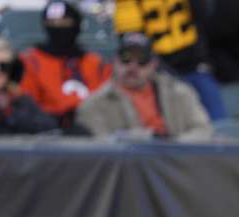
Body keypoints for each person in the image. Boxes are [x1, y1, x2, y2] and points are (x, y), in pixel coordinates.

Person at [76, 32, 213, 140]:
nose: (133, 66)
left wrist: (171, 147)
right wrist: (144, 140)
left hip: (176, 168)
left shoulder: (180, 93)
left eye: (142, 60)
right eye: (126, 58)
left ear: (154, 65)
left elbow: (203, 131)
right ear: (114, 61)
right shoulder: (94, 105)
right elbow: (99, 150)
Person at [113, 0, 226, 120]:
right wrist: (158, 69)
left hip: (194, 64)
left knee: (217, 116)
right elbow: (134, 45)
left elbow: (206, 15)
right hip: (157, 71)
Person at [17, 0, 111, 128]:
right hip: (45, 133)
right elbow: (25, 105)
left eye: (65, 23)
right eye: (52, 23)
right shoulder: (29, 61)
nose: (58, 28)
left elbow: (107, 103)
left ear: (76, 25)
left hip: (93, 131)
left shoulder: (96, 63)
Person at [0, 36, 59, 134]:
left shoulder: (21, 101)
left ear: (12, 72)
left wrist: (10, 113)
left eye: (4, 67)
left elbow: (48, 126)